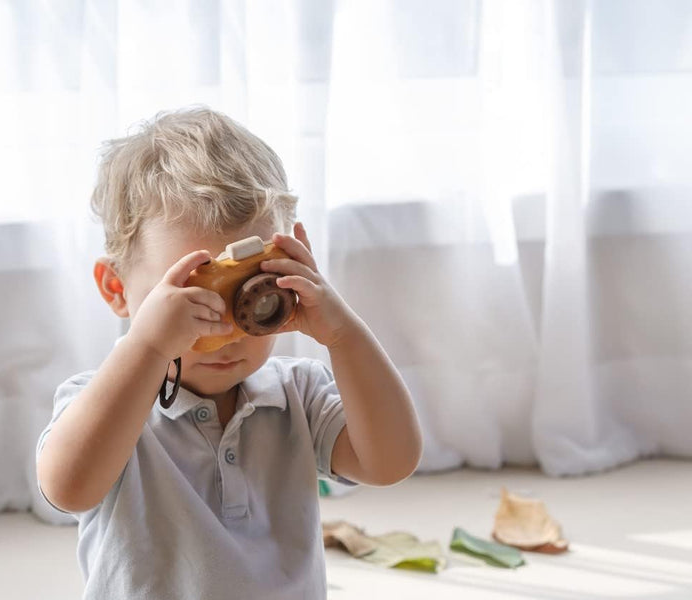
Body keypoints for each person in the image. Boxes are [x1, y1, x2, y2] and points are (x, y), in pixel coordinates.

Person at [35, 106, 423, 599]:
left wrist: (342, 333)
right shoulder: (102, 404)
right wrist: (150, 344)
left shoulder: (297, 395)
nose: (227, 331)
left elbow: (391, 461)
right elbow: (69, 489)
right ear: (116, 287)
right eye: (190, 301)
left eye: (253, 297)